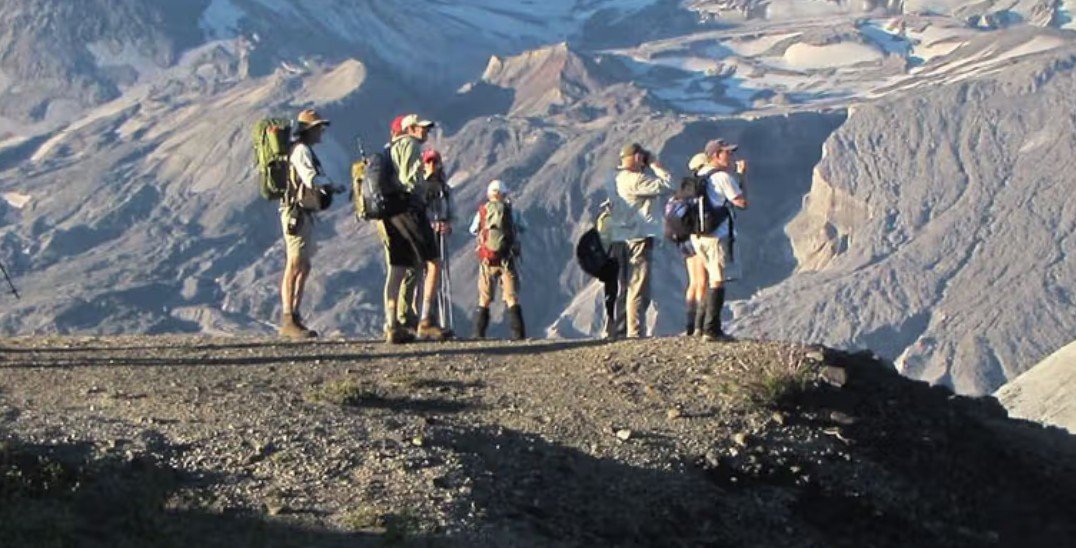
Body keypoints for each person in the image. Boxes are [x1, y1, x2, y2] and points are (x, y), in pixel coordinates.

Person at [379, 114, 446, 343]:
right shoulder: (409, 145)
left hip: (391, 212)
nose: (425, 131)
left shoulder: (389, 149)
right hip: (409, 209)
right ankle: (426, 320)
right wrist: (427, 185)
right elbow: (409, 180)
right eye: (421, 128)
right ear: (410, 129)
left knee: (397, 266)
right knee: (433, 261)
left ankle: (391, 324)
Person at [610, 142, 673, 338]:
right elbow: (668, 185)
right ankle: (635, 331)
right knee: (637, 285)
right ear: (638, 158)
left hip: (625, 236)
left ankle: (624, 330)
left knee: (628, 284)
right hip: (639, 237)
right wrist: (655, 165)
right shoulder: (636, 180)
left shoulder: (620, 178)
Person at [278, 109, 331, 339]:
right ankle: (288, 317)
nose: (321, 132)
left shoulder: (302, 149)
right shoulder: (301, 151)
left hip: (301, 213)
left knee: (304, 264)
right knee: (295, 263)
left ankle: (294, 315)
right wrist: (329, 184)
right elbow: (310, 178)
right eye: (318, 128)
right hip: (296, 213)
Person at [691, 139, 748, 342]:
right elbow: (741, 202)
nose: (731, 156)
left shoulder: (700, 174)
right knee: (717, 280)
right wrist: (741, 176)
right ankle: (711, 330)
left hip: (698, 236)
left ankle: (699, 327)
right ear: (716, 155)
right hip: (716, 235)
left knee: (710, 278)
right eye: (727, 153)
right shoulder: (722, 177)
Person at [469, 180, 527, 340]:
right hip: (507, 259)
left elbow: (473, 230)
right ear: (503, 194)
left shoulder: (482, 211)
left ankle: (478, 334)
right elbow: (524, 227)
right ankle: (518, 334)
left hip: (487, 260)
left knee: (484, 298)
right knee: (511, 297)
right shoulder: (511, 212)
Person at [683, 152, 710, 336]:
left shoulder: (687, 187)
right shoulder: (703, 186)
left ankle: (690, 324)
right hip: (697, 236)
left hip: (684, 238)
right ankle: (700, 325)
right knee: (702, 282)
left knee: (693, 282)